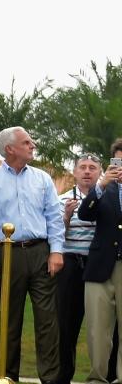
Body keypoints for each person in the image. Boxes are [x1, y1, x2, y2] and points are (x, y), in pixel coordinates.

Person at [0, 126, 64, 383]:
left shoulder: (42, 179)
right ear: (10, 149)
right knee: (9, 319)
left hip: (40, 252)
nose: (32, 145)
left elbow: (54, 219)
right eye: (26, 142)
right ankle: (7, 377)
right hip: (6, 254)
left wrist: (56, 251)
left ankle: (50, 379)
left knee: (47, 320)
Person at [55, 153, 99, 384]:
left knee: (100, 326)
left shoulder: (107, 199)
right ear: (74, 172)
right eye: (82, 167)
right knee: (67, 324)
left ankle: (103, 374)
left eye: (92, 167)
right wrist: (66, 217)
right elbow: (53, 236)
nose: (87, 171)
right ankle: (64, 375)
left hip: (97, 267)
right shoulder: (61, 199)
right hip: (70, 264)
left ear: (100, 172)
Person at [78, 157, 122, 383]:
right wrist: (101, 185)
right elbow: (84, 214)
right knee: (98, 330)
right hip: (100, 267)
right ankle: (97, 378)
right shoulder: (104, 189)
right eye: (118, 162)